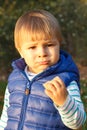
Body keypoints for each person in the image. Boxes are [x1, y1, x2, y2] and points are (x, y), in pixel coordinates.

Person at [0, 9, 86, 130]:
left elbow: (78, 123)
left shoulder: (64, 80)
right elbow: (6, 117)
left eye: (49, 45)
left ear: (59, 44)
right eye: (32, 47)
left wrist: (64, 101)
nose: (42, 53)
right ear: (21, 51)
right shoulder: (15, 79)